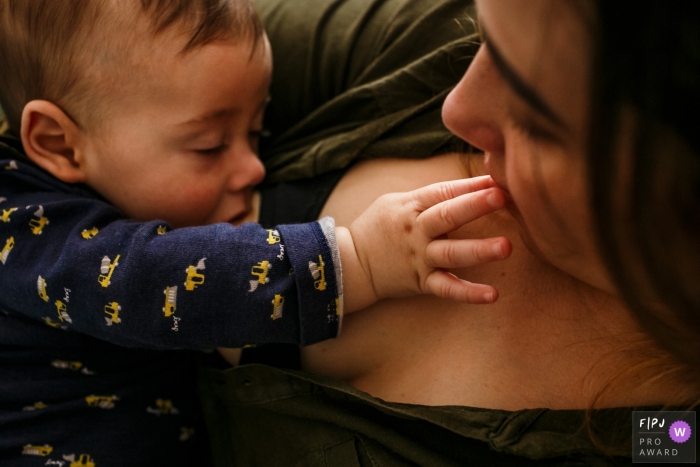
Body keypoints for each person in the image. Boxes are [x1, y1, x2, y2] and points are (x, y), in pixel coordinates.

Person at [0, 0, 514, 465]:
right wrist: (355, 260)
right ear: (60, 145)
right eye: (208, 145)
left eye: (256, 134)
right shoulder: (19, 226)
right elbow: (148, 280)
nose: (254, 168)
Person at [205, 0, 700, 465]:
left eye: (535, 118)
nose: (455, 109)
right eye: (483, 39)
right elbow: (144, 61)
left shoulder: (668, 438)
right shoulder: (470, 31)